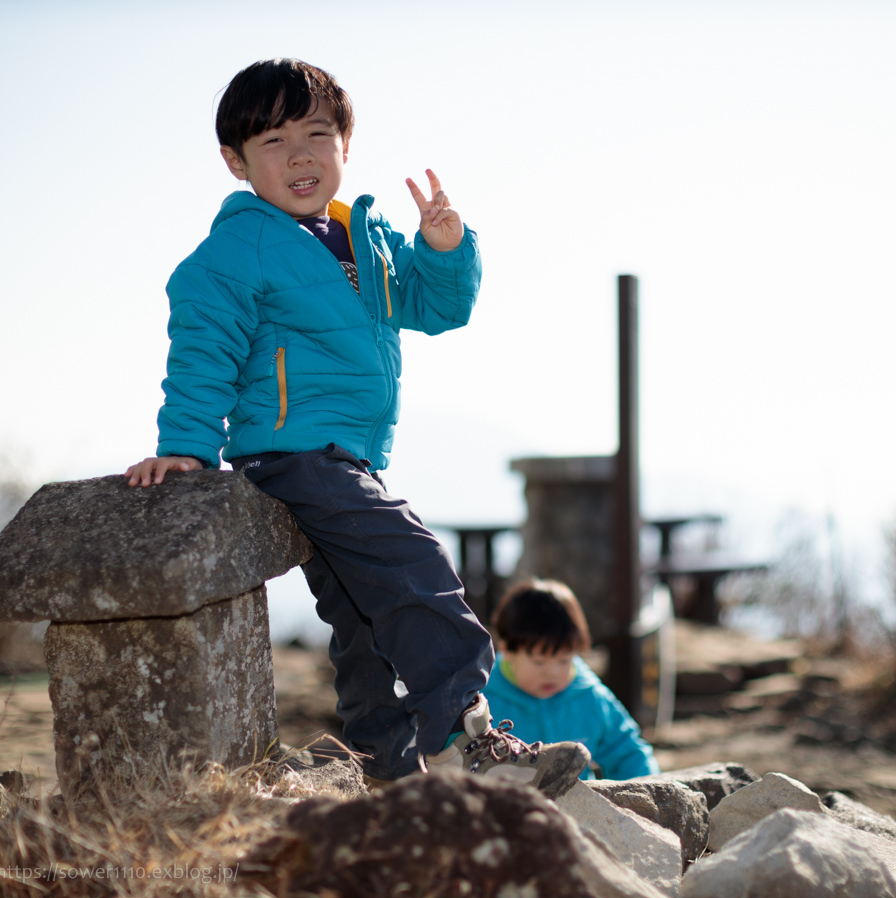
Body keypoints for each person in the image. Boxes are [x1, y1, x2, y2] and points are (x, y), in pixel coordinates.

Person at [123, 58, 588, 797]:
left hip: (349, 457)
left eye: (317, 133)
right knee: (413, 565)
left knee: (366, 618)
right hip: (292, 453)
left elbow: (436, 308)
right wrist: (185, 445)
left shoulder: (358, 239)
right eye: (273, 141)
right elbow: (203, 341)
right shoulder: (238, 249)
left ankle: (383, 766)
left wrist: (442, 247)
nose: (301, 155)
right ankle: (476, 738)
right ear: (234, 161)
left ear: (346, 144)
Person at [484, 579, 660, 780]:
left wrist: (646, 792)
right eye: (539, 662)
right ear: (506, 649)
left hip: (578, 806)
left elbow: (628, 752)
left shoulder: (589, 696)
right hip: (507, 805)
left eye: (564, 660)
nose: (553, 673)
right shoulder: (484, 700)